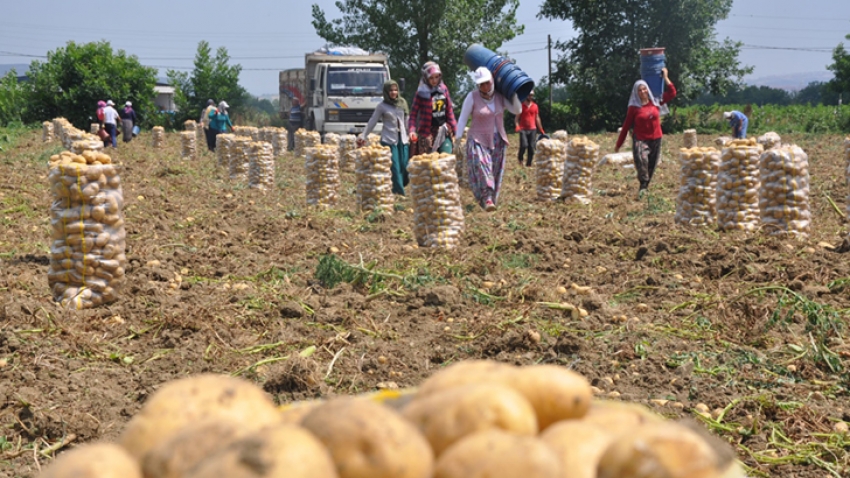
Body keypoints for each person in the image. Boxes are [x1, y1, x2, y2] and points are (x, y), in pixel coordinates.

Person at [454, 67, 522, 212]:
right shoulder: (472, 97)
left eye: (487, 83)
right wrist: (458, 138)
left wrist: (515, 93)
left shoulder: (499, 96)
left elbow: (517, 110)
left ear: (492, 81)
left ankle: (489, 197)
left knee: (494, 171)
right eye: (481, 84)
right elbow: (462, 119)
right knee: (483, 167)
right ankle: (487, 198)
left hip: (498, 139)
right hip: (478, 139)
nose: (485, 87)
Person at [614, 67, 677, 196]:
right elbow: (626, 126)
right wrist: (619, 144)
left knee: (652, 165)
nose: (642, 92)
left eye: (644, 89)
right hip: (640, 138)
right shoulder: (634, 108)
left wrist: (665, 77)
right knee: (641, 160)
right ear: (636, 93)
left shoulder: (656, 102)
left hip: (656, 138)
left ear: (647, 90)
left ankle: (645, 187)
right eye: (640, 90)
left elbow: (672, 93)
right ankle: (643, 184)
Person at [358, 80, 410, 195]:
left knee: (405, 166)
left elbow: (407, 120)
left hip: (403, 139)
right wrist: (364, 135)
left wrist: (411, 132)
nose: (393, 92)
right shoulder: (382, 106)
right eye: (391, 90)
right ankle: (399, 193)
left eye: (395, 90)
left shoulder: (402, 103)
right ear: (386, 92)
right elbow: (373, 121)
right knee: (395, 167)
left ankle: (398, 186)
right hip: (389, 140)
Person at [408, 61, 457, 156]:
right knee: (429, 165)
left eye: (437, 77)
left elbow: (449, 112)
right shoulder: (421, 92)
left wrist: (456, 131)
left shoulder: (443, 89)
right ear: (426, 78)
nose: (434, 80)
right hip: (426, 134)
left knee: (446, 159)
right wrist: (412, 130)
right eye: (431, 78)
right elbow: (413, 115)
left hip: (443, 131)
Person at [515, 90, 545, 167]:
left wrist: (541, 129)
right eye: (529, 95)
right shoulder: (521, 105)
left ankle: (529, 164)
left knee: (531, 147)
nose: (530, 97)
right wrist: (517, 126)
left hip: (533, 129)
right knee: (524, 145)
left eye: (531, 95)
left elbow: (537, 118)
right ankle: (520, 158)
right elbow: (516, 118)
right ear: (526, 95)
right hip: (523, 129)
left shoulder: (535, 106)